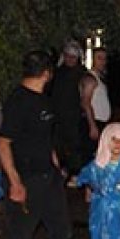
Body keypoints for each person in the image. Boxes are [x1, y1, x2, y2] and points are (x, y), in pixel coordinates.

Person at [0, 50, 72, 239]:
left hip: (48, 176)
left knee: (62, 230)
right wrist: (15, 182)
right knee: (21, 234)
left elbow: (46, 138)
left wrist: (55, 166)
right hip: (25, 179)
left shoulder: (44, 101)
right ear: (46, 74)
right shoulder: (18, 102)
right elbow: (3, 144)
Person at [49, 40, 87, 182]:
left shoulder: (81, 74)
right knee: (58, 144)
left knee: (75, 145)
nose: (70, 59)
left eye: (73, 57)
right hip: (58, 116)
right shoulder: (57, 74)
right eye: (68, 56)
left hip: (74, 116)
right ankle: (61, 172)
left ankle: (75, 174)